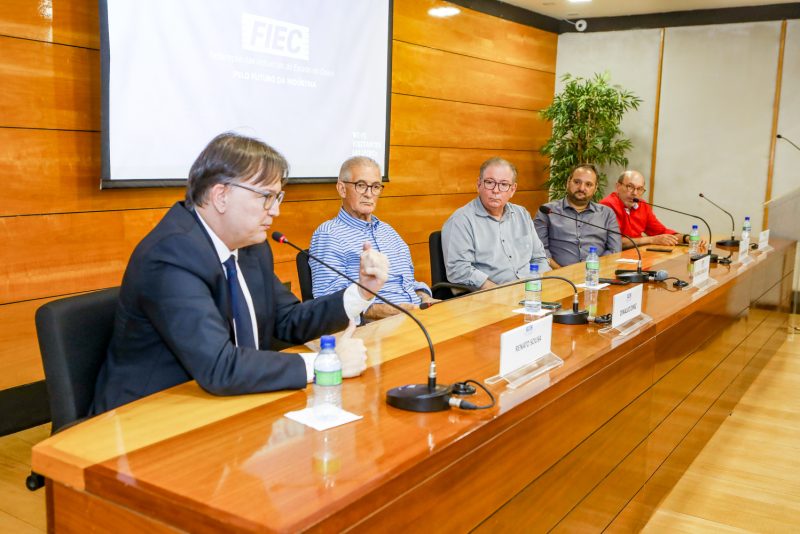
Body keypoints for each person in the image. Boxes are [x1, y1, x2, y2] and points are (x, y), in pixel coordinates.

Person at [91, 133, 389, 414]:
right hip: (146, 420)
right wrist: (327, 363)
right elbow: (219, 367)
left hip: (227, 403)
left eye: (277, 198)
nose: (275, 211)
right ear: (221, 195)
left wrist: (360, 291)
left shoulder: (250, 247)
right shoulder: (171, 255)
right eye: (266, 197)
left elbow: (287, 321)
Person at [309, 156, 435, 321]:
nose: (369, 194)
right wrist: (392, 311)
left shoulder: (389, 232)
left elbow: (409, 282)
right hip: (376, 327)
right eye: (361, 185)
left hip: (417, 316)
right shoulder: (329, 234)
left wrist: (425, 297)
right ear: (342, 189)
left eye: (375, 187)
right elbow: (331, 303)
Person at [441, 157, 550, 290]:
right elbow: (458, 270)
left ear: (513, 190)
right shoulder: (461, 220)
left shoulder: (522, 214)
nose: (496, 190)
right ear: (478, 185)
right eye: (489, 182)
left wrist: (544, 286)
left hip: (531, 291)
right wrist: (498, 292)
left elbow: (539, 258)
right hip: (491, 296)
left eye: (504, 184)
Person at [534, 164, 622, 268]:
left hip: (596, 275)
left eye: (588, 184)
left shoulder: (607, 214)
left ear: (595, 188)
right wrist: (560, 272)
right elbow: (539, 250)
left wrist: (594, 269)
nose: (581, 188)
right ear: (568, 182)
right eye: (577, 182)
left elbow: (614, 250)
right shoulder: (548, 211)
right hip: (558, 276)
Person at [600, 170, 700, 249]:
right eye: (630, 187)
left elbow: (661, 232)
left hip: (637, 256)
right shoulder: (607, 206)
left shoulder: (642, 205)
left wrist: (686, 238)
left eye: (639, 189)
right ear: (618, 186)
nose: (635, 193)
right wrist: (651, 240)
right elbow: (614, 242)